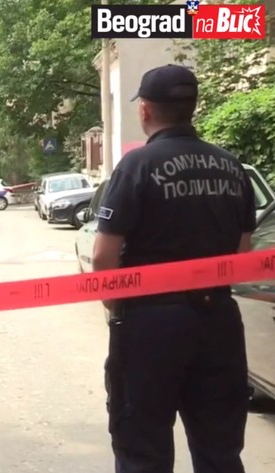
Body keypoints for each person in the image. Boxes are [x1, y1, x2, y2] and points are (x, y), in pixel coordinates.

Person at [92, 64, 255, 473]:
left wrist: (119, 307)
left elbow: (103, 258)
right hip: (218, 322)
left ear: (145, 110)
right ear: (192, 107)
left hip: (149, 325)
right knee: (220, 451)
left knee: (142, 451)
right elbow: (241, 256)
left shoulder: (137, 166)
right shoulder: (232, 167)